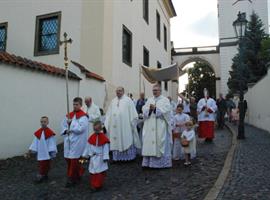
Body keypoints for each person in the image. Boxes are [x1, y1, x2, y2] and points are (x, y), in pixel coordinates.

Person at [105, 87, 141, 161]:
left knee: (125, 138)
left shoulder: (128, 100)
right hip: (115, 126)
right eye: (117, 91)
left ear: (123, 91)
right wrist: (108, 120)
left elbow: (133, 114)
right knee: (116, 140)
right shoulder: (113, 101)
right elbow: (109, 112)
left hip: (125, 125)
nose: (118, 92)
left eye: (120, 91)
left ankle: (128, 158)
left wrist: (132, 122)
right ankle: (116, 158)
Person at [141, 84, 172, 168]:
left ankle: (160, 164)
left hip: (160, 125)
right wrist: (149, 110)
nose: (154, 92)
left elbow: (167, 111)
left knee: (159, 142)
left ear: (160, 91)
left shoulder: (165, 100)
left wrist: (155, 109)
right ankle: (149, 163)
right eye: (153, 90)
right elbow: (144, 110)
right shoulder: (149, 100)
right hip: (150, 124)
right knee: (149, 143)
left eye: (156, 90)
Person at [61, 97, 89, 187]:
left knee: (74, 159)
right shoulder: (69, 115)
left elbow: (81, 128)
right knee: (68, 158)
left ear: (81, 105)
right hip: (69, 140)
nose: (75, 106)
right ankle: (78, 173)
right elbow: (63, 125)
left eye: (77, 104)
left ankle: (71, 178)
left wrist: (71, 123)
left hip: (78, 140)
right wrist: (66, 130)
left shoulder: (83, 116)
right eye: (74, 104)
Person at [27, 116, 57, 183]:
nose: (43, 123)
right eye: (41, 122)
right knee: (41, 165)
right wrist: (30, 150)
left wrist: (51, 152)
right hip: (40, 152)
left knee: (46, 165)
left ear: (47, 122)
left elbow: (52, 143)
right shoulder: (38, 132)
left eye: (44, 122)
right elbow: (34, 142)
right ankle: (42, 175)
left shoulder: (50, 133)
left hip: (47, 153)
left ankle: (43, 175)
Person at [82, 121, 110, 192]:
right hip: (93, 158)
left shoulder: (103, 138)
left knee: (99, 172)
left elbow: (105, 148)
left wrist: (105, 157)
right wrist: (85, 155)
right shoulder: (91, 137)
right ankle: (93, 184)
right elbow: (88, 146)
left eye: (97, 129)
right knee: (92, 172)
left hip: (100, 158)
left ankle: (97, 185)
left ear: (100, 129)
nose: (96, 131)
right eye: (95, 129)